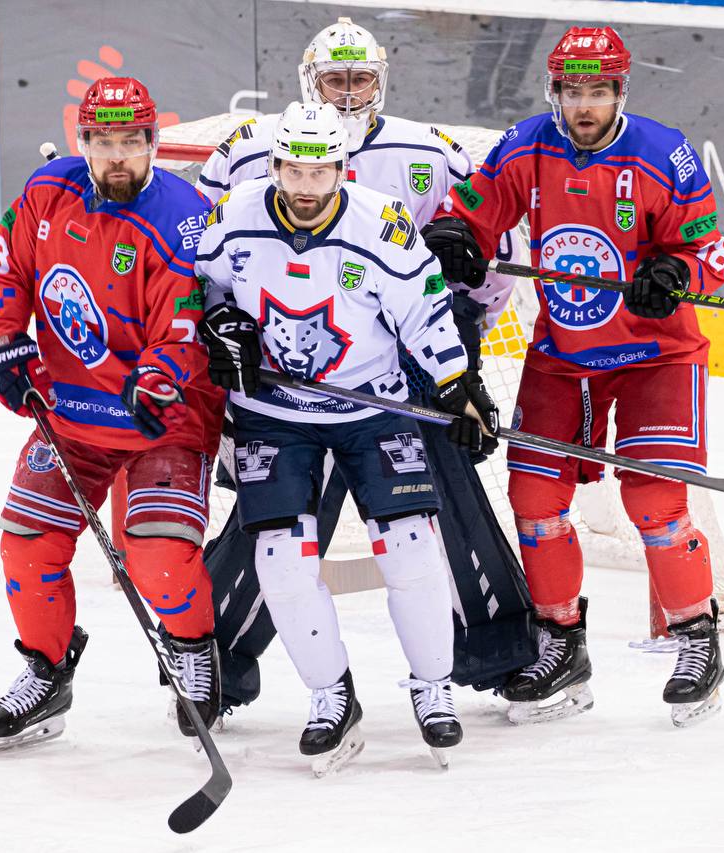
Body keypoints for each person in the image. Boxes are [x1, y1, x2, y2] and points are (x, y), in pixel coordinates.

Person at [194, 16, 534, 719]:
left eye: (359, 79)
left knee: (436, 506)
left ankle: (496, 653)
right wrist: (219, 327)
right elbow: (197, 245)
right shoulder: (250, 147)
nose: (348, 93)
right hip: (288, 363)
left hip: (415, 352)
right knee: (277, 522)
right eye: (334, 80)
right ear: (308, 83)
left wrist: (470, 297)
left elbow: (492, 241)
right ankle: (220, 659)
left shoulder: (429, 149)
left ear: (380, 81)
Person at [423, 27, 724, 727]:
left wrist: (674, 271)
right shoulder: (527, 145)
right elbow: (472, 212)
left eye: (597, 91)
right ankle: (560, 644)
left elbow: (710, 254)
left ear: (621, 91)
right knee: (534, 497)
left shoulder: (665, 155)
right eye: (571, 91)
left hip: (656, 356)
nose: (583, 105)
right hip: (563, 356)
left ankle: (696, 640)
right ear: (554, 92)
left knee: (655, 502)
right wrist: (459, 239)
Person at [0, 77, 224, 752]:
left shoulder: (185, 217)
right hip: (71, 410)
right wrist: (7, 339)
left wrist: (157, 379)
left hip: (164, 414)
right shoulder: (46, 191)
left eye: (131, 141)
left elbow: (186, 324)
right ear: (82, 142)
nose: (118, 156)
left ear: (153, 143)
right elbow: (6, 266)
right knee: (26, 541)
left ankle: (192, 649)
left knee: (156, 553)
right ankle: (47, 673)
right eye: (104, 141)